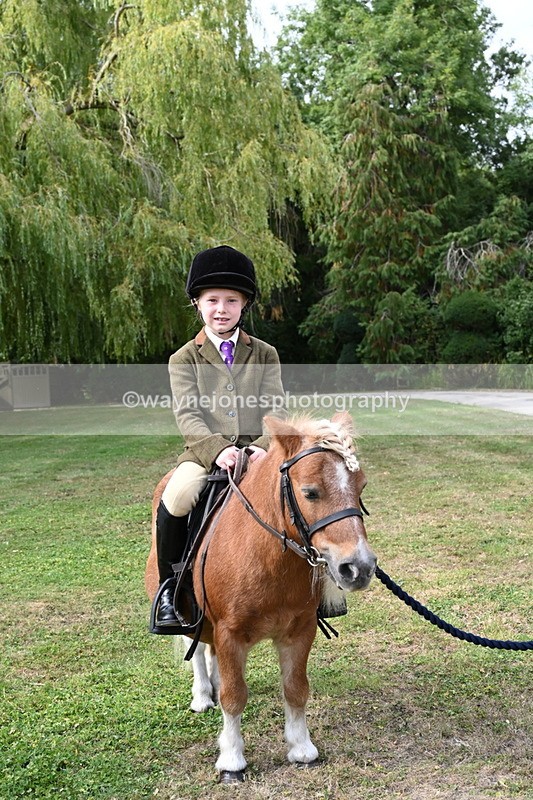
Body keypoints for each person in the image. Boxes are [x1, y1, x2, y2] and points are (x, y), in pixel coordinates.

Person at [152, 245, 286, 629]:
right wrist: (219, 450)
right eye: (212, 300)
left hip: (259, 451)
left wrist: (261, 449)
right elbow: (188, 415)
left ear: (244, 305)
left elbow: (275, 409)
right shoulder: (183, 359)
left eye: (231, 300)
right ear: (197, 303)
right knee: (176, 496)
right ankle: (169, 588)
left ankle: (320, 590)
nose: (221, 308)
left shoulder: (264, 353)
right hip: (204, 453)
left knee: (304, 492)